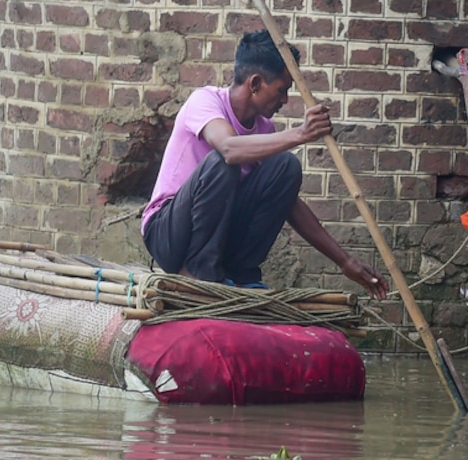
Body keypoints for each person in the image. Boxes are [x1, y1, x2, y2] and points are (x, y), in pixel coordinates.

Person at [141, 30, 389, 299]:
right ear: (256, 83)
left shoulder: (264, 127)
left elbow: (290, 205)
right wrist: (301, 134)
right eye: (281, 91)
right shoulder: (205, 101)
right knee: (225, 162)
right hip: (168, 236)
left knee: (286, 167)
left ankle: (240, 272)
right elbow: (228, 149)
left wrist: (344, 261)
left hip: (219, 241)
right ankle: (197, 274)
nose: (284, 101)